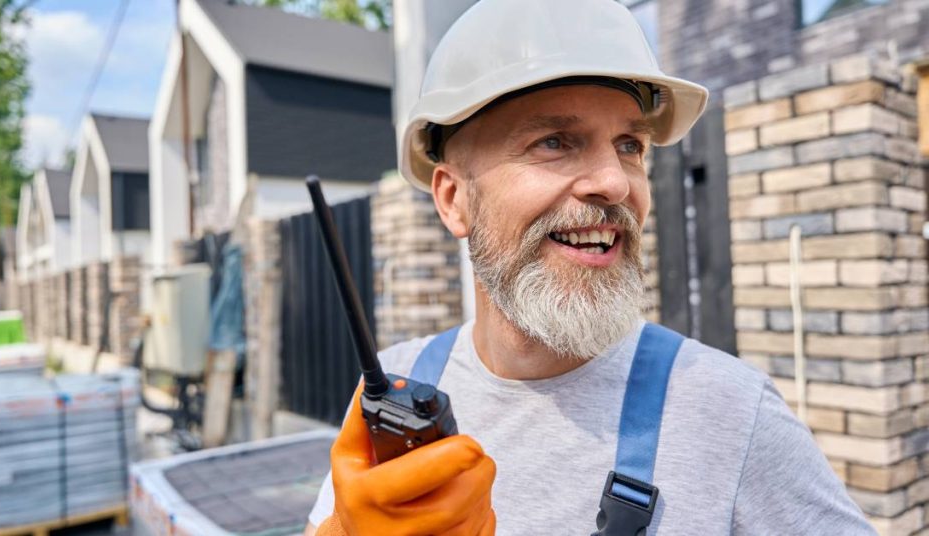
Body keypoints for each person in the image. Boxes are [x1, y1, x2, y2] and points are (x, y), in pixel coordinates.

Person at [305, 0, 875, 534]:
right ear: (453, 199)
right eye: (554, 141)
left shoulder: (728, 412)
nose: (615, 182)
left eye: (630, 145)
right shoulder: (397, 384)